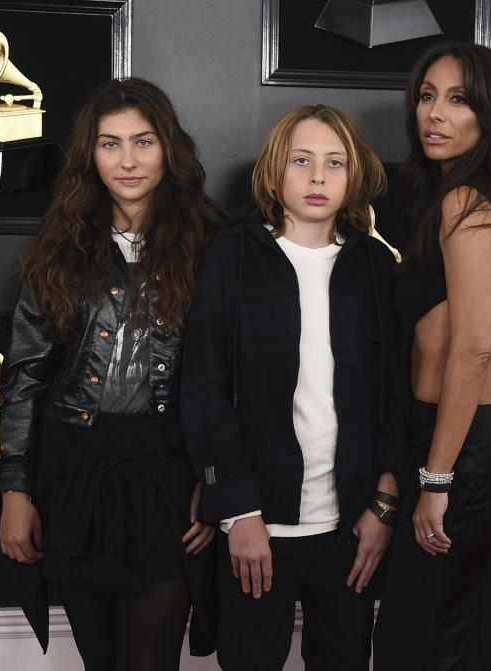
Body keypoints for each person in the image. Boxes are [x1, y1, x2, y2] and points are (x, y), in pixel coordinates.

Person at [0, 77, 225, 671]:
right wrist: (16, 489)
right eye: (110, 143)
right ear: (88, 155)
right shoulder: (59, 247)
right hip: (73, 476)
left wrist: (216, 477)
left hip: (167, 476)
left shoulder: (214, 244)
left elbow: (236, 376)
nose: (127, 161)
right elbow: (24, 377)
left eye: (144, 142)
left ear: (168, 148)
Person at [180, 104, 407, 671]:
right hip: (260, 524)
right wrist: (238, 514)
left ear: (354, 176)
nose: (317, 177)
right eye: (301, 161)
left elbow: (396, 396)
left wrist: (383, 506)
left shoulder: (375, 266)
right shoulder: (232, 255)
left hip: (350, 526)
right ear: (275, 170)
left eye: (335, 163)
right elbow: (204, 388)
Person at [372, 43, 491, 670]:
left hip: (465, 448)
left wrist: (439, 477)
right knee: (477, 624)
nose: (434, 114)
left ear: (490, 113)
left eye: (458, 99)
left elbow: (476, 348)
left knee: (440, 637)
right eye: (427, 96)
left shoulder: (465, 202)